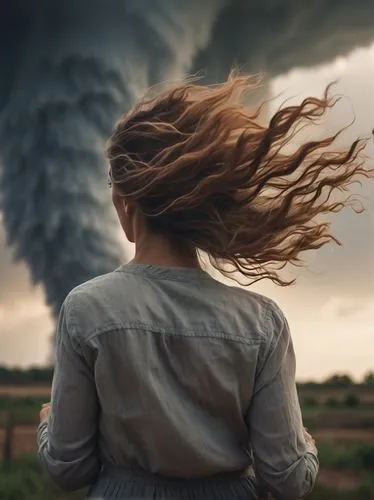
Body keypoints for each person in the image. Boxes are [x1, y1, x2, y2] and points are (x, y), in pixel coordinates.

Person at [37, 74, 371, 499]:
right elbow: (285, 478)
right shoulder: (262, 322)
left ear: (125, 200)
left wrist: (49, 423)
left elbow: (69, 469)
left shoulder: (87, 309)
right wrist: (305, 448)